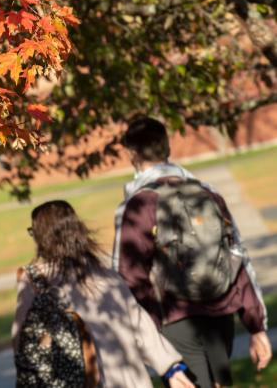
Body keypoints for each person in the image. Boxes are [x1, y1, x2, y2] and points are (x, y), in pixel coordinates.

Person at [113, 116, 272, 387]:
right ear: (168, 149)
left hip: (174, 319)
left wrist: (144, 335)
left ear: (132, 155)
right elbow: (237, 257)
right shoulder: (207, 193)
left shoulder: (139, 205)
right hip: (220, 313)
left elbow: (129, 275)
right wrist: (256, 326)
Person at [13, 200, 195, 388]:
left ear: (43, 236)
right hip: (129, 378)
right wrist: (170, 368)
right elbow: (140, 324)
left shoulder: (35, 281)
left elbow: (21, 341)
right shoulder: (105, 274)